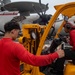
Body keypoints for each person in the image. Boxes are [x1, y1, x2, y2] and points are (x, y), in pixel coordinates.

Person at [0, 21, 65, 75]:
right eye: (18, 32)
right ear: (13, 31)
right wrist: (55, 55)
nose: (18, 35)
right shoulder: (15, 47)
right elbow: (34, 60)